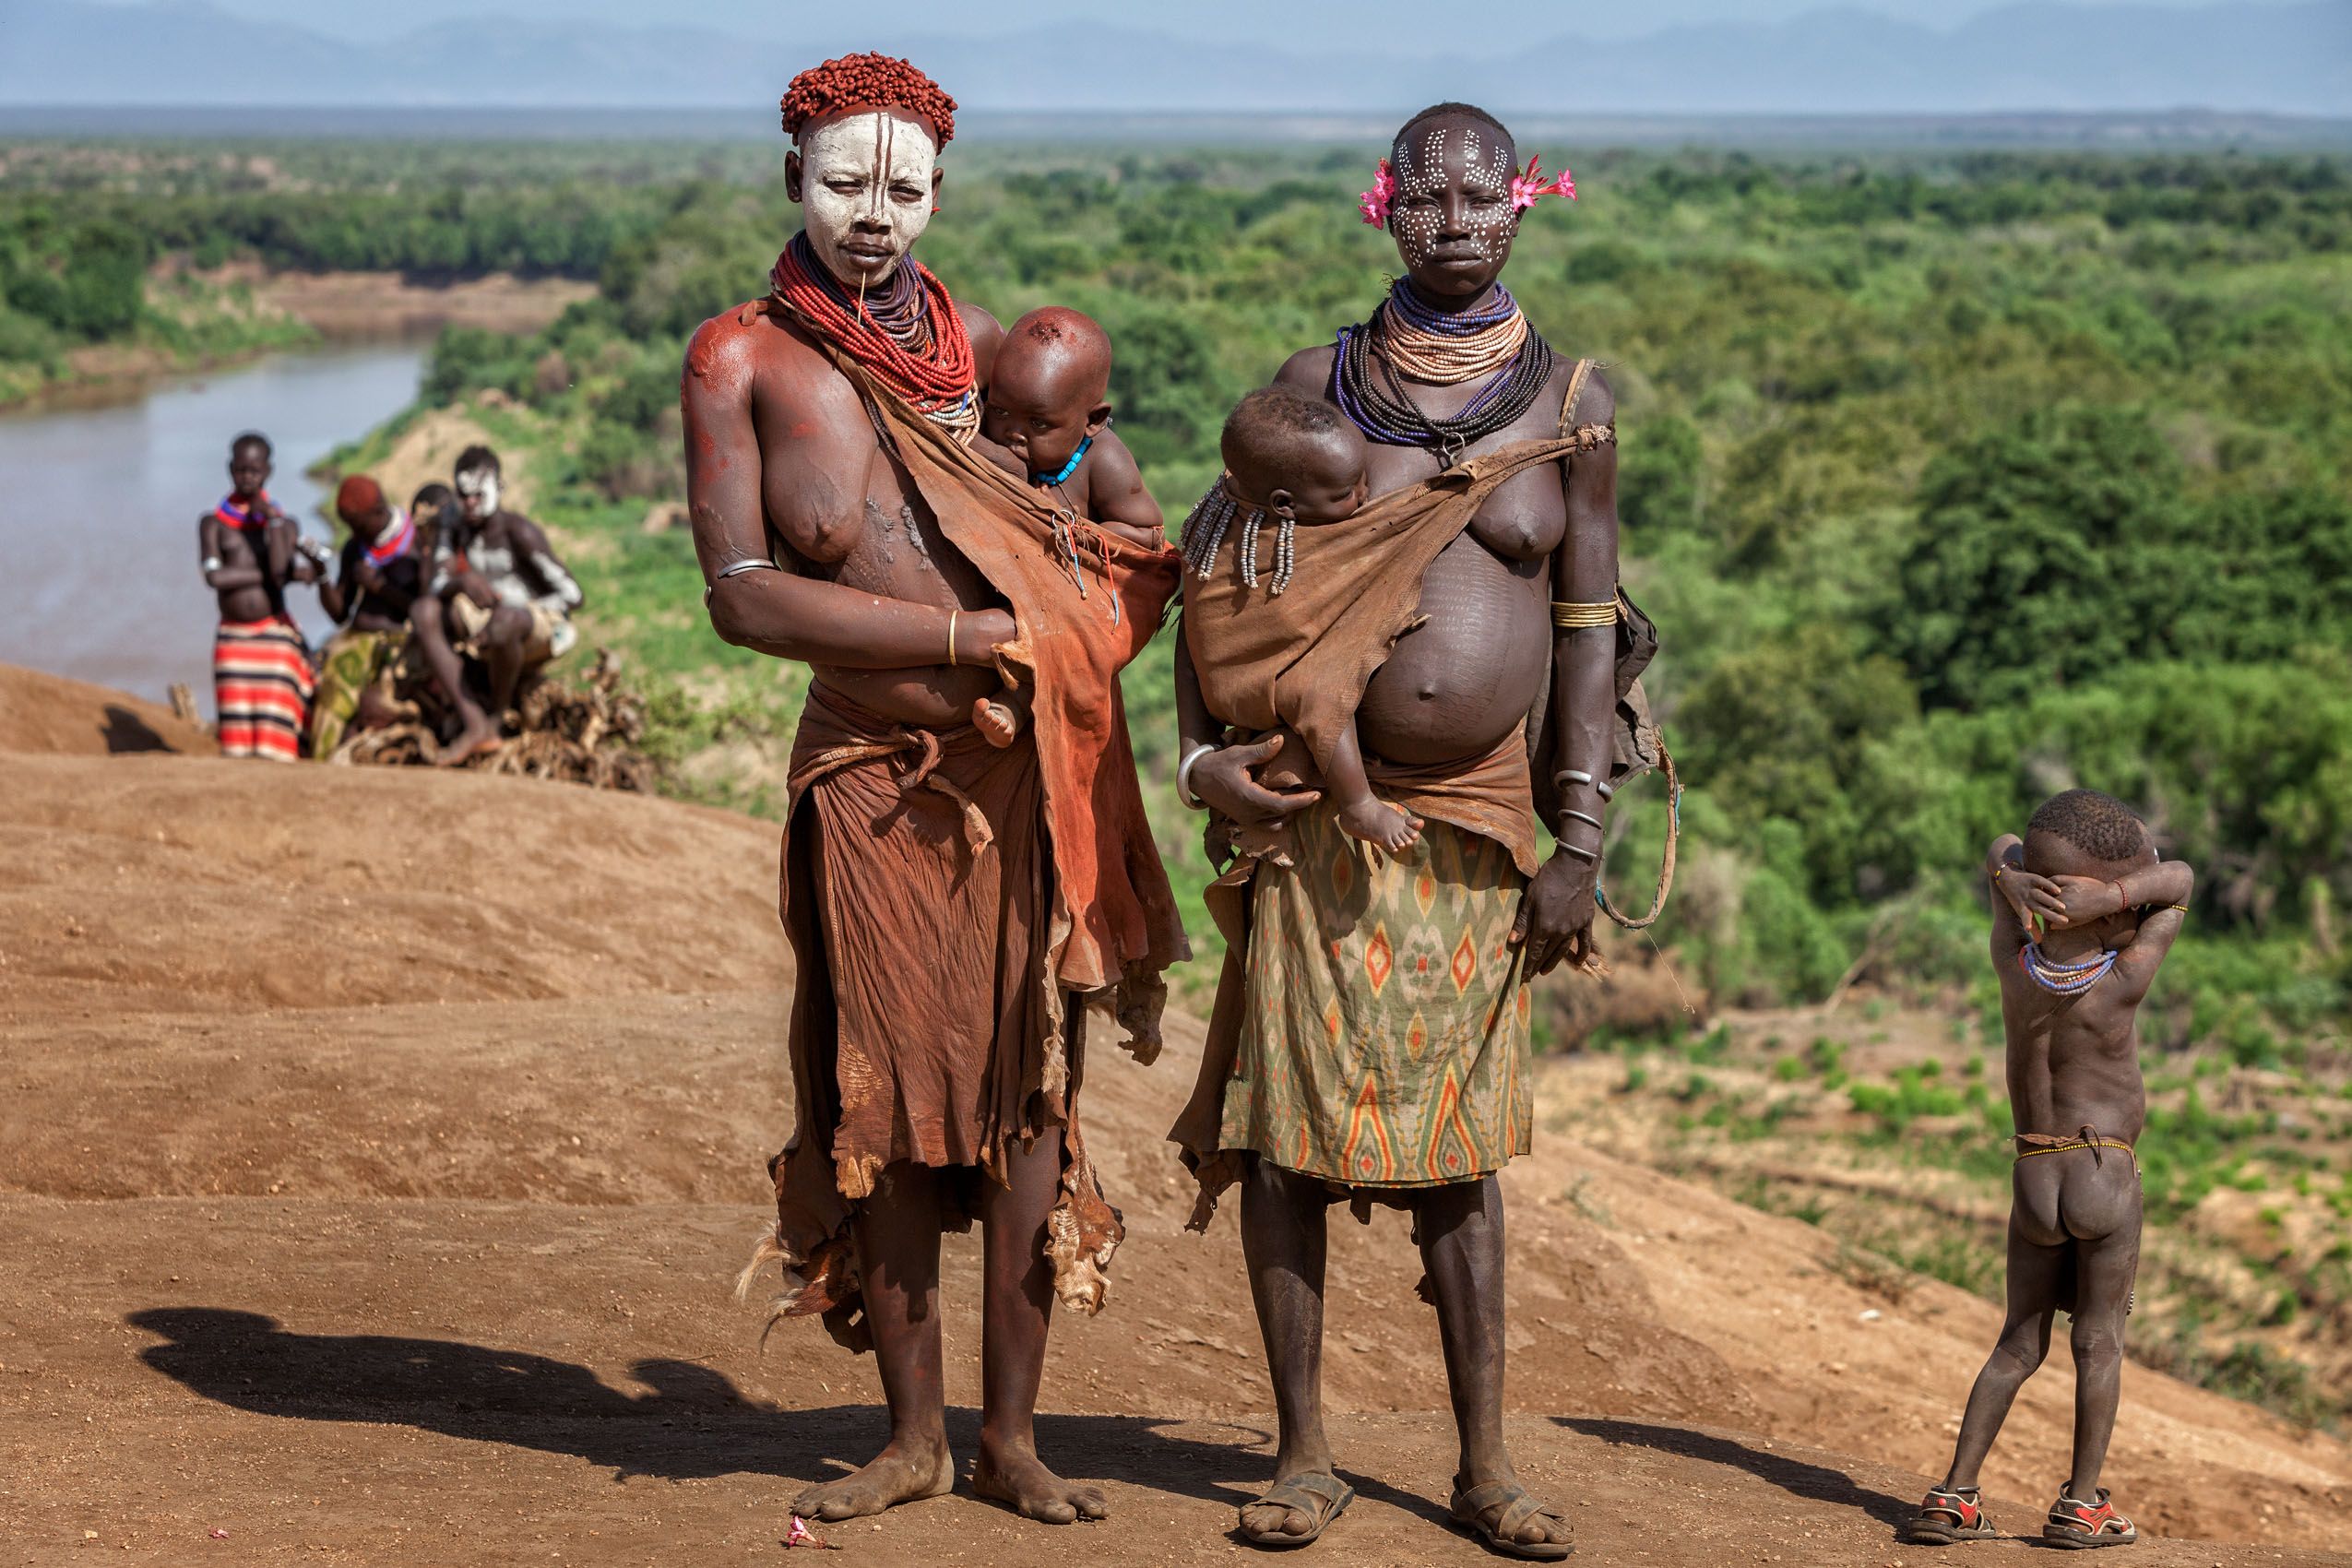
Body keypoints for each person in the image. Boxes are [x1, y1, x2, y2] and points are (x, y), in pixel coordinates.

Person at [685, 54, 1184, 1530]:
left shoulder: (977, 350)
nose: (873, 215)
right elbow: (742, 596)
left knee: (1028, 1094)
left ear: (938, 193)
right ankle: (908, 1436)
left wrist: (1096, 602)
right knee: (885, 1102)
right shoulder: (740, 361)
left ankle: (1010, 1438)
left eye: (902, 189)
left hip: (1015, 777)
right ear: (793, 179)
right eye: (845, 183)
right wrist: (963, 635)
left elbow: (1096, 501)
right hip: (869, 782)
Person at [1169, 102, 1618, 1559]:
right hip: (1313, 817)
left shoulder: (1571, 403)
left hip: (1482, 828)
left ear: (1519, 208)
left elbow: (1591, 628)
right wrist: (1198, 765)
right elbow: (1214, 578)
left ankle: (1484, 1468)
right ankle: (1303, 1456)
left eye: (1475, 198)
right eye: (1420, 197)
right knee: (1288, 1140)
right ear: (1383, 207)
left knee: (1459, 1161)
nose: (1449, 221)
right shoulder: (1313, 389)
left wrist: (1581, 843)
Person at [1903, 790, 2192, 1552]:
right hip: (2104, 1169)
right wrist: (2121, 894)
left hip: (2034, 1172)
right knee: (2098, 1343)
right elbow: (2182, 884)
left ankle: (1953, 1497)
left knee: (2016, 1345)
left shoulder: (2014, 964)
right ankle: (2082, 1504)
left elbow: (2001, 843)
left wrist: (2013, 881)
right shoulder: (2122, 977)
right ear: (2098, 913)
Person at [1182, 386, 1421, 849]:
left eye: (1363, 480)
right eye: (1344, 493)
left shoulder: (1233, 504)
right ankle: (1358, 805)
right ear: (1284, 505)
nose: (1364, 495)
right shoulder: (1256, 542)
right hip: (1258, 684)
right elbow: (1222, 624)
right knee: (1318, 689)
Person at [968, 304, 1163, 746]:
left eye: (1038, 423)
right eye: (999, 412)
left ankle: (1017, 704)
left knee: (1066, 635)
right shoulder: (988, 438)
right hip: (1010, 582)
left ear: (1092, 420)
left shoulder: (1103, 461)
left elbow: (1148, 537)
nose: (1012, 433)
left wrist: (1072, 531)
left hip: (1075, 587)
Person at [409, 445, 582, 765]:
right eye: (463, 495)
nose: (470, 503)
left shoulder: (519, 532)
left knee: (505, 620)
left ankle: (498, 716)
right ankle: (474, 721)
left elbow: (573, 595)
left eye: (478, 494)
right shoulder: (455, 525)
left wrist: (523, 607)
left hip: (532, 622)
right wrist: (461, 583)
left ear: (498, 490)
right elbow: (435, 583)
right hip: (487, 619)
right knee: (424, 611)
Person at [198, 431, 326, 760]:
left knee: (278, 736)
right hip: (233, 639)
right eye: (241, 470)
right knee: (237, 741)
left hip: (273, 635)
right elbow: (215, 577)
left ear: (268, 471)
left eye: (255, 471)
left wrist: (270, 522)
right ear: (230, 469)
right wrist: (264, 577)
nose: (248, 477)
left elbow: (281, 573)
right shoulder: (212, 523)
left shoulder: (284, 524)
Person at [310, 473, 423, 758]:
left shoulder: (417, 542)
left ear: (377, 511)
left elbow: (426, 607)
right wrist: (321, 573)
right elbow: (339, 614)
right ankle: (319, 766)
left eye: (357, 526)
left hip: (403, 644)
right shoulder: (355, 548)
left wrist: (379, 588)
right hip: (356, 642)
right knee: (332, 700)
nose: (354, 533)